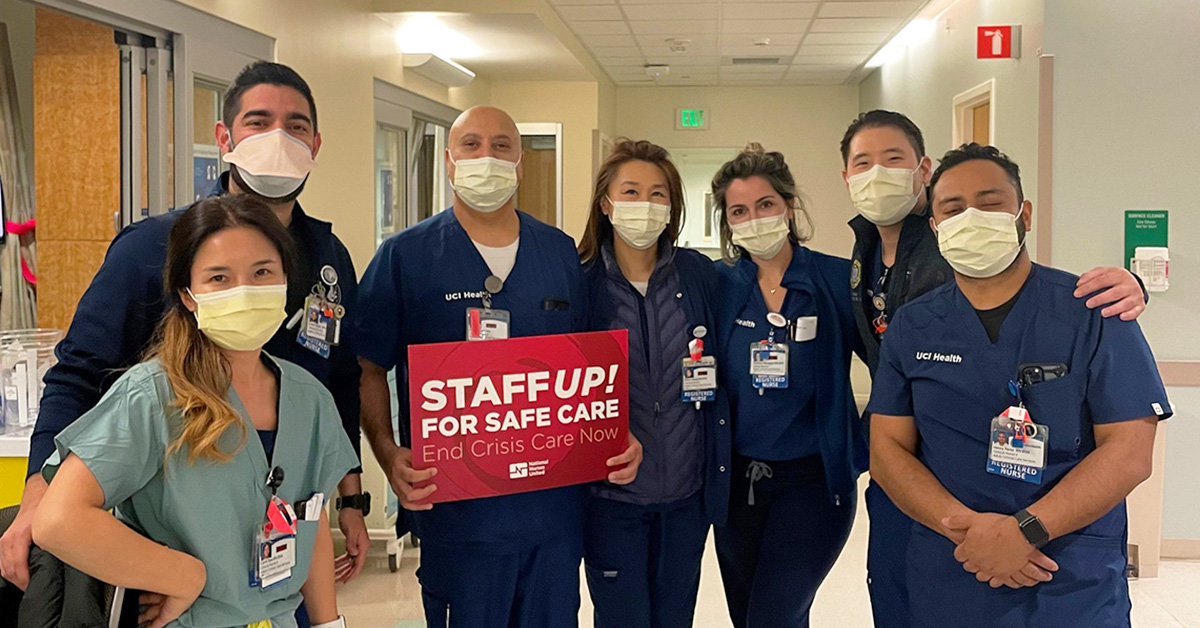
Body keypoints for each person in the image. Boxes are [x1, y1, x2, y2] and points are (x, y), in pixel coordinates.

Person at [0, 62, 371, 600]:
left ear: (315, 143)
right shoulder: (151, 249)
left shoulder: (328, 259)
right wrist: (41, 490)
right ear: (224, 137)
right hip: (177, 533)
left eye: (295, 127)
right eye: (258, 122)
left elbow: (339, 380)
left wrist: (351, 500)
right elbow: (79, 371)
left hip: (285, 532)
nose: (278, 139)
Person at [838, 110, 1150, 628]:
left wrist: (1024, 530)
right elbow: (887, 447)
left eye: (990, 203)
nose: (971, 218)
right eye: (953, 209)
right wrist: (971, 533)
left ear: (1023, 212)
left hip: (1066, 569)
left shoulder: (1092, 311)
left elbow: (1130, 453)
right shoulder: (913, 326)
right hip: (955, 562)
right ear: (936, 225)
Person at [356, 105, 643, 628]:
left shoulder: (558, 253)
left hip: (552, 517)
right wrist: (387, 452)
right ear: (448, 161)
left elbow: (588, 370)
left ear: (519, 163)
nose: (485, 157)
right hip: (459, 518)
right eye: (470, 145)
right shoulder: (404, 257)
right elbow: (369, 367)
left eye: (501, 146)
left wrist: (617, 438)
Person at [32, 195, 358, 628]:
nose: (244, 291)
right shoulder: (153, 396)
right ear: (188, 295)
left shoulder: (310, 401)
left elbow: (309, 523)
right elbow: (57, 520)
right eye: (219, 278)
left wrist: (328, 624)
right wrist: (184, 575)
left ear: (286, 281)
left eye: (262, 272)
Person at [577, 139, 730, 628]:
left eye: (658, 194)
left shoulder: (697, 275)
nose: (645, 205)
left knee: (675, 618)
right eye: (631, 191)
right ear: (606, 203)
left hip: (686, 497)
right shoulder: (579, 281)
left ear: (672, 206)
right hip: (610, 500)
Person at [711, 144, 862, 628]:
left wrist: (873, 439)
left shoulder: (836, 281)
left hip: (813, 484)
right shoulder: (718, 287)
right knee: (749, 615)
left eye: (765, 205)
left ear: (788, 208)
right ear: (727, 223)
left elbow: (895, 363)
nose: (754, 219)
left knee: (774, 616)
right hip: (736, 485)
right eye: (739, 211)